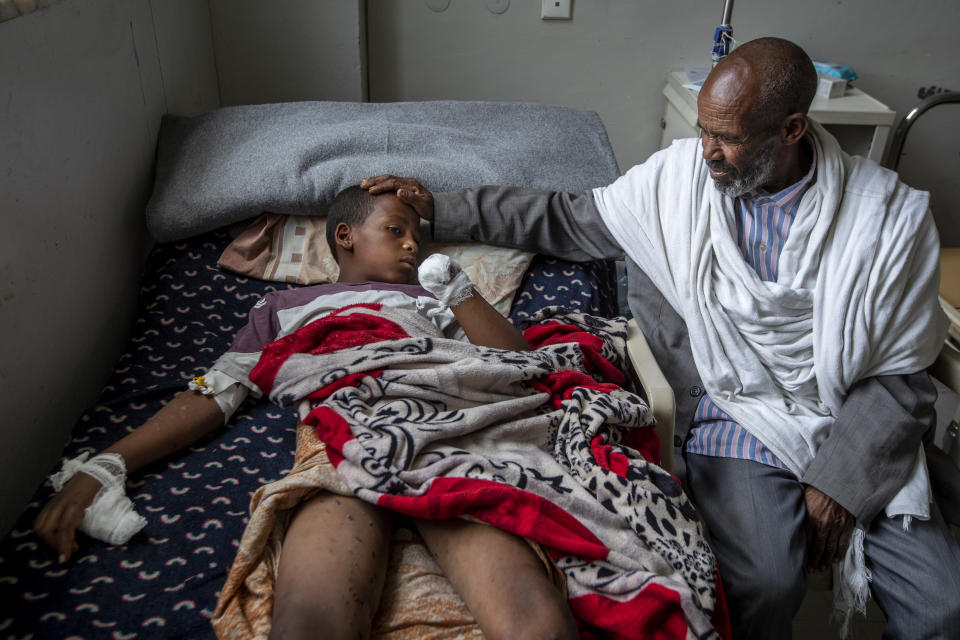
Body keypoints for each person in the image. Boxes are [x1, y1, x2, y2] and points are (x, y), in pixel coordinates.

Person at [362, 37, 960, 639]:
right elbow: (565, 218)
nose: (706, 152)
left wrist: (840, 483)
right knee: (765, 583)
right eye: (703, 130)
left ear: (791, 129)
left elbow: (902, 375)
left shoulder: (887, 219)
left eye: (726, 138)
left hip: (857, 415)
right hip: (738, 407)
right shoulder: (675, 185)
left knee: (942, 609)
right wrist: (438, 210)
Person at [34, 185, 578, 640]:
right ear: (346, 236)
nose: (413, 244)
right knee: (309, 622)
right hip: (345, 439)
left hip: (445, 431)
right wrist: (107, 465)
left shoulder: (432, 300)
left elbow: (518, 366)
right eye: (396, 229)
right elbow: (214, 394)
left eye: (420, 235)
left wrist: (459, 292)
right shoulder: (285, 308)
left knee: (532, 616)